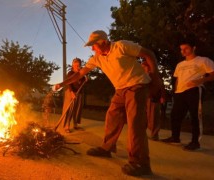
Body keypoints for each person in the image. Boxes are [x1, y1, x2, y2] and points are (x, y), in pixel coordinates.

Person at [53, 30, 163, 176]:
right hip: (120, 89)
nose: (92, 49)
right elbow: (80, 74)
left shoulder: (121, 46)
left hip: (137, 85)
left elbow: (148, 54)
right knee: (112, 116)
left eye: (94, 45)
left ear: (103, 42)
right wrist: (62, 83)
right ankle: (107, 148)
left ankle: (141, 163)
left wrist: (156, 78)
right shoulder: (97, 58)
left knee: (135, 123)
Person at [161, 38, 214, 151]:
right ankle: (175, 138)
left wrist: (200, 81)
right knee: (175, 115)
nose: (183, 51)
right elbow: (176, 79)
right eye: (181, 49)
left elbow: (212, 74)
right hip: (180, 92)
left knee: (195, 116)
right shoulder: (180, 64)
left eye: (186, 49)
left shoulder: (203, 60)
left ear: (193, 48)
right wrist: (174, 91)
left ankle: (195, 142)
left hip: (194, 90)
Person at [141, 61, 166, 141]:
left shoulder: (154, 76)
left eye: (144, 66)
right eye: (142, 66)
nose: (143, 68)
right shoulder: (142, 75)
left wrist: (162, 96)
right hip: (144, 98)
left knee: (153, 117)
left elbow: (161, 86)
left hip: (153, 98)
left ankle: (154, 134)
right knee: (143, 116)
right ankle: (141, 133)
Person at [61, 58, 87, 133]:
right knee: (69, 109)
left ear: (80, 65)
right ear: (73, 65)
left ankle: (75, 125)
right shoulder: (70, 73)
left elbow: (82, 83)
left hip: (79, 93)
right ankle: (67, 126)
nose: (77, 66)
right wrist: (72, 92)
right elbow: (68, 83)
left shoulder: (81, 73)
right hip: (70, 92)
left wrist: (85, 79)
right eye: (75, 65)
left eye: (78, 65)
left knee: (77, 109)